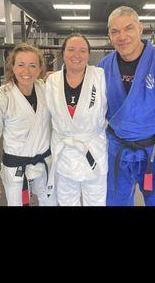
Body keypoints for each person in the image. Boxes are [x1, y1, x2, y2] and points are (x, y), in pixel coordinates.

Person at [98, 6, 155, 206]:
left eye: (128, 28)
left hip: (153, 154)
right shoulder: (103, 66)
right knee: (114, 203)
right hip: (116, 151)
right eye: (115, 31)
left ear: (140, 29)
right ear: (109, 35)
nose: (122, 36)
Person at [45, 33, 108, 206]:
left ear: (89, 54)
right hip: (64, 151)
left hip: (93, 150)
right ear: (63, 52)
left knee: (96, 201)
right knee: (66, 201)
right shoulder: (51, 81)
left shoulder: (101, 76)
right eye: (71, 49)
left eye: (82, 50)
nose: (76, 55)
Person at [0, 43, 57, 206]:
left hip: (43, 162)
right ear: (12, 67)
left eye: (32, 65)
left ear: (39, 68)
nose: (26, 71)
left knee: (50, 202)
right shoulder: (1, 97)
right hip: (16, 167)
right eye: (21, 65)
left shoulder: (45, 89)